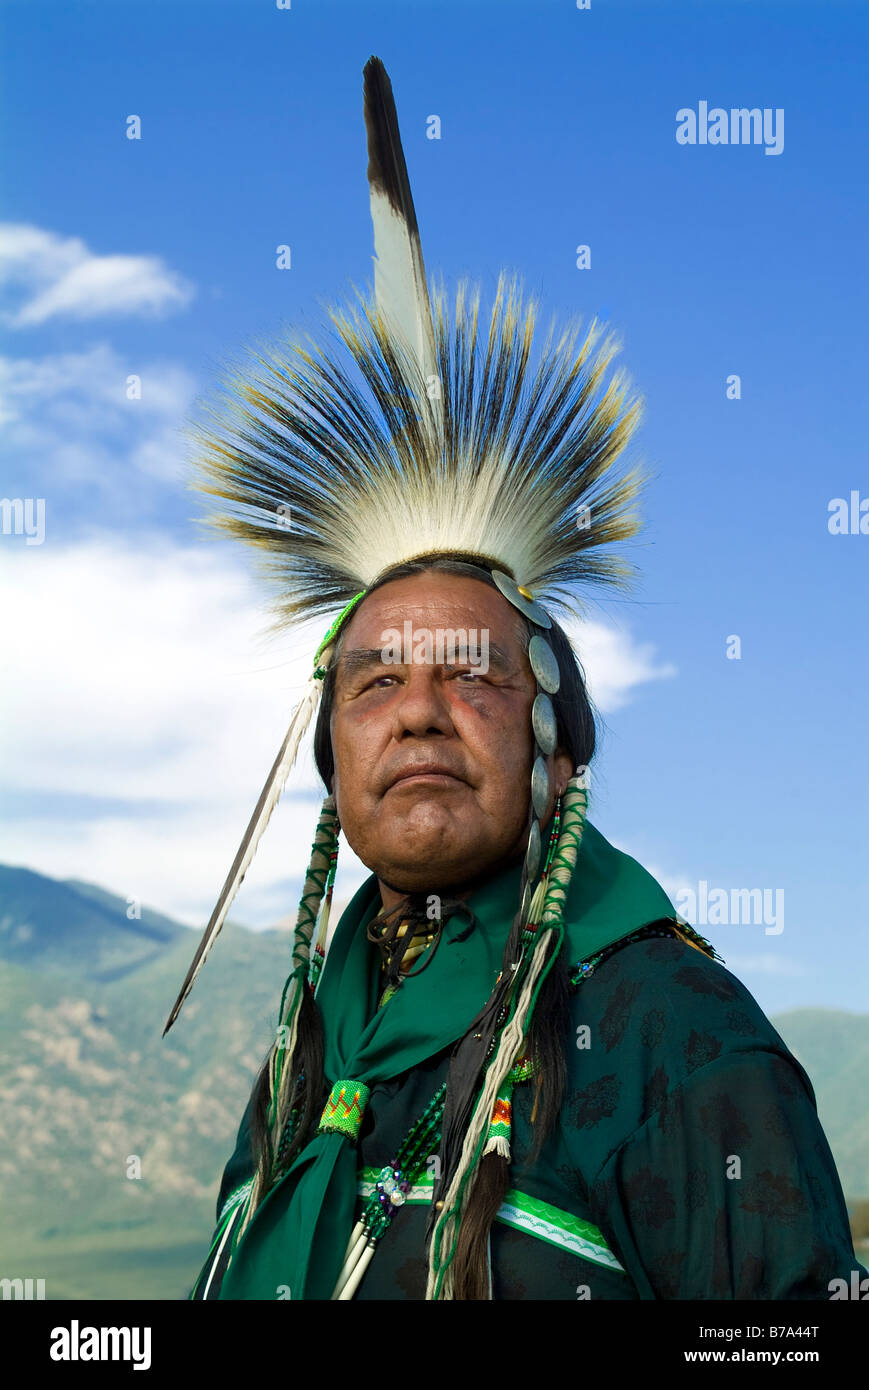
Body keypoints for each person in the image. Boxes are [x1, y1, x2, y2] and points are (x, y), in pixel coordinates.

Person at [165, 58, 867, 1301]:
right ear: (329, 755)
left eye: (471, 675)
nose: (420, 707)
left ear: (555, 738)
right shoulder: (308, 1059)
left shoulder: (672, 1031)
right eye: (374, 682)